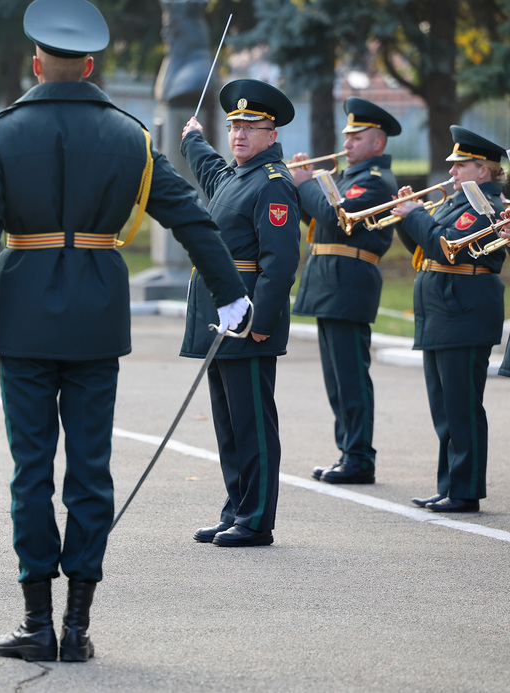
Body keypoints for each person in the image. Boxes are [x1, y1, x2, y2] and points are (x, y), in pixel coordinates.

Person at [0, 0, 248, 663]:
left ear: (36, 63)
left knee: (32, 472)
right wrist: (230, 290)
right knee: (90, 469)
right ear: (88, 65)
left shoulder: (1, 133)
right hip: (98, 316)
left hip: (23, 317)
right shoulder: (129, 135)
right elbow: (190, 216)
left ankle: (36, 621)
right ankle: (77, 625)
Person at [180, 79, 301, 548]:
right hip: (220, 320)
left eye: (251, 126)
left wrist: (260, 325)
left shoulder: (273, 185)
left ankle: (256, 519)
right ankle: (235, 508)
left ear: (272, 135)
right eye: (233, 125)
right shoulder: (237, 177)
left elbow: (280, 264)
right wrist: (193, 139)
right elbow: (211, 171)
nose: (239, 134)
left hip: (246, 321)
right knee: (229, 424)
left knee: (251, 423)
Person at [390, 126, 506, 513]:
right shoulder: (459, 201)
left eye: (460, 166)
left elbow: (446, 247)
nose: (452, 173)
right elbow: (428, 246)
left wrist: (417, 214)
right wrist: (408, 219)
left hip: (464, 310)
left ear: (484, 170)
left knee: (462, 406)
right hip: (443, 312)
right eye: (452, 165)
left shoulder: (485, 205)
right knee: (444, 409)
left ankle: (465, 490)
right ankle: (450, 485)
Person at [289, 98, 401, 485]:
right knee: (337, 380)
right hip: (330, 282)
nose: (348, 143)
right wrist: (305, 186)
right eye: (348, 136)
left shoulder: (374, 181)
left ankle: (359, 457)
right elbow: (319, 218)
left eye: (358, 137)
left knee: (351, 377)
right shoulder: (350, 177)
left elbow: (339, 220)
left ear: (378, 144)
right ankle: (348, 452)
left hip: (348, 283)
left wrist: (307, 184)